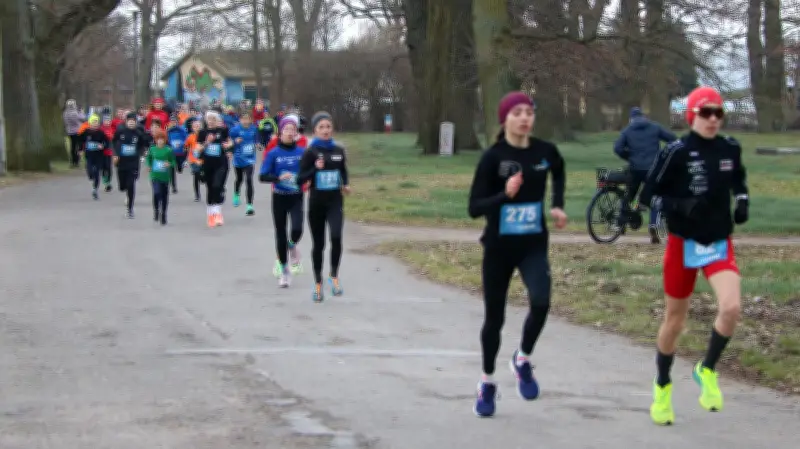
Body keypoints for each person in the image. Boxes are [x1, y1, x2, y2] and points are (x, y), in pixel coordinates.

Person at [637, 87, 749, 426]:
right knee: (675, 322)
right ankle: (662, 386)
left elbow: (739, 180)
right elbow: (649, 194)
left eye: (718, 113)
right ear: (692, 116)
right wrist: (679, 205)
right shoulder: (676, 151)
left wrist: (742, 200)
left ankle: (707, 369)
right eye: (706, 113)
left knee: (731, 308)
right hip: (683, 244)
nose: (713, 119)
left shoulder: (730, 148)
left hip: (717, 242)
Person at [467, 92, 567, 418]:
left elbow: (559, 168)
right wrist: (504, 195)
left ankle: (522, 358)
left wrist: (557, 204)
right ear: (504, 119)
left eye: (529, 112)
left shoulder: (544, 151)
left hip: (533, 244)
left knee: (541, 301)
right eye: (517, 112)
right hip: (498, 248)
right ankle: (486, 382)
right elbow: (473, 208)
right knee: (494, 320)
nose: (525, 117)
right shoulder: (492, 158)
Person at [297, 112, 351, 302]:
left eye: (328, 126)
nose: (326, 130)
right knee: (318, 244)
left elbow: (343, 170)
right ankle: (318, 282)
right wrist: (314, 169)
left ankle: (333, 276)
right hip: (316, 203)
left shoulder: (339, 150)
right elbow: (300, 178)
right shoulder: (310, 152)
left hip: (335, 201)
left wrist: (345, 184)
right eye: (321, 127)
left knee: (336, 237)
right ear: (315, 130)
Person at [613, 107, 677, 243]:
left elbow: (617, 148)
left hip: (635, 169)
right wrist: (664, 155)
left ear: (631, 119)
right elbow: (673, 139)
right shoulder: (654, 127)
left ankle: (622, 221)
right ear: (643, 116)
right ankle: (653, 225)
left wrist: (629, 156)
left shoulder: (627, 131)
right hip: (653, 169)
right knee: (654, 195)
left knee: (630, 194)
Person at [259, 117, 306, 287]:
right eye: (287, 129)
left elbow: (309, 171)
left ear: (296, 133)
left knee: (297, 229)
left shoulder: (302, 152)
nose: (290, 132)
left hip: (296, 196)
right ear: (280, 133)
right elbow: (262, 176)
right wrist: (278, 178)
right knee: (280, 232)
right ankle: (285, 271)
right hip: (279, 196)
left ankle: (291, 246)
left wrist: (304, 177)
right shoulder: (273, 153)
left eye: (293, 129)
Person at [198, 111, 234, 227]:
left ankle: (218, 214)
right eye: (210, 119)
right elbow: (198, 149)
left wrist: (228, 147)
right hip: (207, 164)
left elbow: (230, 142)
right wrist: (207, 143)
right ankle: (210, 215)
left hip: (221, 163)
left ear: (218, 120)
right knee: (210, 188)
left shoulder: (222, 131)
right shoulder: (202, 132)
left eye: (214, 119)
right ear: (206, 120)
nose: (212, 121)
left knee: (217, 186)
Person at [113, 112, 148, 218]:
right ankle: (124, 189)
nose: (132, 123)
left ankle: (130, 209)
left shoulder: (138, 133)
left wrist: (143, 152)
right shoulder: (120, 131)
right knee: (122, 186)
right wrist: (115, 154)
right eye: (130, 121)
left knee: (131, 185)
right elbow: (114, 142)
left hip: (133, 162)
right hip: (122, 162)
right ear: (126, 122)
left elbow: (143, 145)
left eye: (134, 121)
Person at [230, 110, 260, 215]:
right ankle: (236, 193)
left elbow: (256, 140)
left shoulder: (254, 129)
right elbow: (228, 142)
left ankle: (249, 205)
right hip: (238, 159)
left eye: (248, 119)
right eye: (243, 119)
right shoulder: (235, 130)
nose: (246, 121)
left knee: (249, 179)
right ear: (240, 120)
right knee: (239, 179)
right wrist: (234, 142)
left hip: (250, 159)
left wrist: (257, 144)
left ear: (250, 120)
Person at [146, 130, 178, 225]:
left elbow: (173, 162)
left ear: (165, 140)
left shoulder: (168, 150)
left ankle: (164, 214)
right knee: (156, 193)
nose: (160, 141)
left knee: (164, 196)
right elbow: (148, 158)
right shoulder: (152, 149)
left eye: (162, 139)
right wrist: (149, 165)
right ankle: (156, 210)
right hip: (155, 175)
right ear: (155, 140)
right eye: (158, 139)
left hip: (165, 177)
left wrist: (169, 164)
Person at [79, 115, 111, 200]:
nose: (95, 124)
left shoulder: (101, 133)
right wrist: (80, 150)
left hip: (99, 156)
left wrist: (102, 146)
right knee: (90, 172)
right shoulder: (86, 132)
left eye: (96, 122)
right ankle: (91, 176)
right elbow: (80, 141)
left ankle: (95, 190)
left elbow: (107, 142)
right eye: (93, 122)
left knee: (97, 173)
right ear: (90, 123)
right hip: (89, 155)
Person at [167, 114, 189, 194]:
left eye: (175, 121)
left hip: (181, 153)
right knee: (171, 170)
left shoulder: (182, 129)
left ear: (177, 122)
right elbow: (167, 140)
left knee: (179, 169)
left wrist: (182, 143)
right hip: (172, 153)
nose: (173, 123)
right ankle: (174, 187)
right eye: (172, 121)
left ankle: (180, 167)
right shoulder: (168, 131)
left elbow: (186, 138)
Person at [185, 118, 204, 202]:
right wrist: (186, 158)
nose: (197, 128)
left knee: (202, 177)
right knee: (196, 175)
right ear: (192, 128)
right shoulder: (190, 137)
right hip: (193, 160)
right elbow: (186, 146)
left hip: (203, 160)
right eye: (195, 126)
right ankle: (197, 194)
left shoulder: (204, 136)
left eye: (198, 126)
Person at [63, 99, 85, 168]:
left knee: (73, 146)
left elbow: (65, 122)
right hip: (77, 131)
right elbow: (83, 118)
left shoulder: (65, 113)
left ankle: (73, 161)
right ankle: (77, 160)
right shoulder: (75, 113)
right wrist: (81, 112)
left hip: (70, 131)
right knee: (79, 146)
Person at [100, 114, 117, 192]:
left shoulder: (112, 129)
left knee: (109, 168)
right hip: (102, 152)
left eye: (108, 121)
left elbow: (114, 138)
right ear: (103, 121)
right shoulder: (101, 129)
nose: (107, 122)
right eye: (105, 120)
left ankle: (108, 182)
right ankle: (105, 182)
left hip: (109, 152)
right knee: (104, 167)